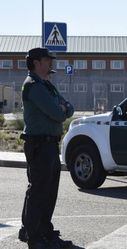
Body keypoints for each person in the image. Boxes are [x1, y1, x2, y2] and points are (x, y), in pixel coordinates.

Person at [19, 47, 74, 249]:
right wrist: (61, 109)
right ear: (36, 62)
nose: (50, 63)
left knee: (49, 191)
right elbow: (58, 113)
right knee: (39, 191)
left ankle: (41, 230)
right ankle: (34, 236)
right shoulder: (33, 86)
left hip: (50, 144)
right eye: (47, 59)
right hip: (39, 144)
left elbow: (69, 107)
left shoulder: (46, 85)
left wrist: (62, 108)